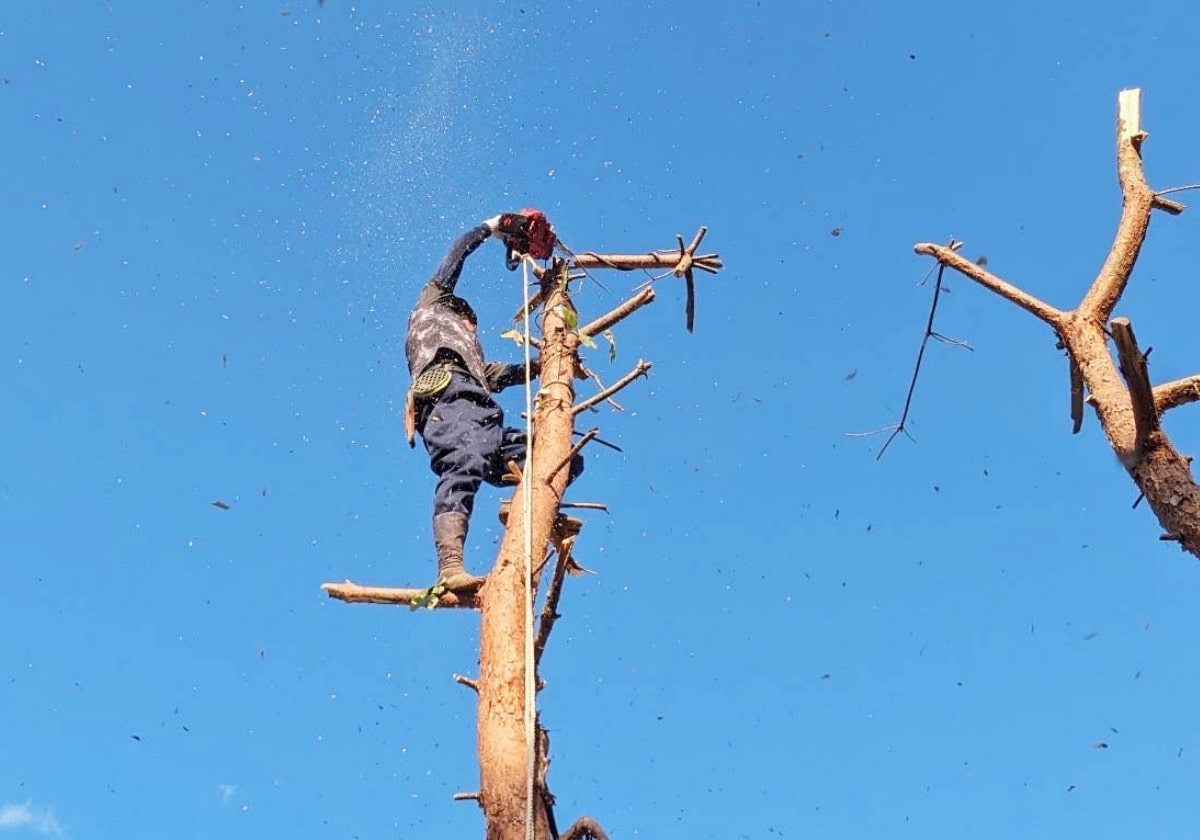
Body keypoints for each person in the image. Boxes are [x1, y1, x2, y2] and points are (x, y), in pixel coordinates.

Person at [404, 210, 583, 590]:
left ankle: (533, 511)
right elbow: (455, 258)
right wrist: (491, 227)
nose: (474, 331)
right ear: (462, 314)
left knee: (561, 457)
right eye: (473, 325)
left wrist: (549, 361)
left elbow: (497, 375)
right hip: (447, 400)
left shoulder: (474, 359)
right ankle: (450, 566)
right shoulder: (431, 309)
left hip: (485, 418)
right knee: (464, 461)